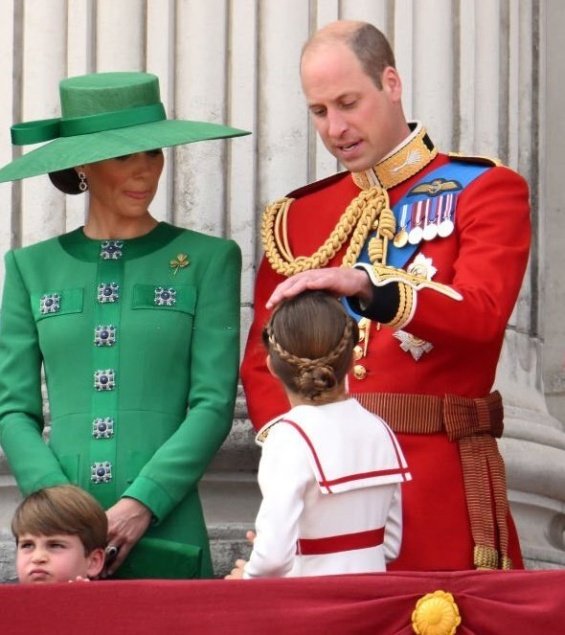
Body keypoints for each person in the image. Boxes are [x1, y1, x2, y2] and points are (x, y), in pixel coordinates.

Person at [241, 20, 531, 571]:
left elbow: (483, 315)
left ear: (391, 83)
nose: (336, 127)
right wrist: (300, 460)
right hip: (327, 492)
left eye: (349, 102)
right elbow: (263, 360)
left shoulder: (484, 189)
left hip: (438, 484)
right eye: (320, 111)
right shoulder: (297, 219)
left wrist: (374, 289)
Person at [0, 71, 249, 578]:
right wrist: (61, 510)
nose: (144, 172)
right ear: (84, 166)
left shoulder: (208, 259)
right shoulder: (30, 268)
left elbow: (213, 403)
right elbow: (13, 411)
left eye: (153, 154)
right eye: (124, 156)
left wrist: (144, 502)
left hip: (168, 526)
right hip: (59, 541)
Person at [227, 291, 410, 579]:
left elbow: (272, 561)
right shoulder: (380, 429)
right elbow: (389, 546)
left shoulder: (287, 437)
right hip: (372, 602)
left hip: (312, 607)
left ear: (273, 366)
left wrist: (247, 575)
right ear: (350, 360)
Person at [12, 484, 107, 584]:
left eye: (55, 545)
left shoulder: (107, 600)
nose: (37, 557)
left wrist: (82, 598)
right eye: (27, 545)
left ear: (93, 562)